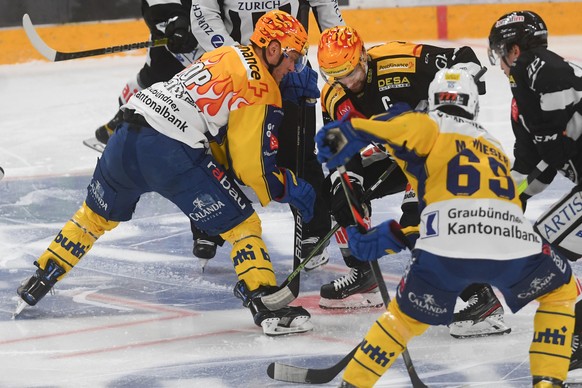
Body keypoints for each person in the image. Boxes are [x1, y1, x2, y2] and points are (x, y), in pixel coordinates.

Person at [17, 10, 316, 337]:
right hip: (169, 152)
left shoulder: (226, 52)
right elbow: (251, 169)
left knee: (92, 218)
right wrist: (287, 187)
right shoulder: (262, 85)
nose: (293, 68)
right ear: (272, 50)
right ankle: (265, 304)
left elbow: (215, 131)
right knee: (243, 225)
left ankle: (40, 279)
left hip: (125, 134)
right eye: (294, 58)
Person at [315, 67, 577, 387]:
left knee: (402, 320)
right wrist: (397, 234)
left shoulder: (429, 123)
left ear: (433, 99)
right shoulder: (491, 144)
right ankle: (549, 382)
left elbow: (391, 130)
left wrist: (344, 133)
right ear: (472, 104)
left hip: (447, 249)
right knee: (561, 293)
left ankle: (353, 383)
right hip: (514, 242)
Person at [315, 25, 507, 339]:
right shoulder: (334, 96)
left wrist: (450, 99)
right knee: (336, 193)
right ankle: (364, 274)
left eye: (351, 72)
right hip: (395, 151)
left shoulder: (398, 62)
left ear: (363, 57)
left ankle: (481, 300)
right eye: (336, 76)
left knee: (418, 223)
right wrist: (353, 189)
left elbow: (464, 57)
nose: (347, 83)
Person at [187, 0, 345, 268]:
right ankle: (209, 222)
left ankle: (312, 230)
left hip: (291, 65)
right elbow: (203, 11)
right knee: (217, 146)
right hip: (236, 73)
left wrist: (340, 64)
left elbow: (326, 7)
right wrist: (239, 59)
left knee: (299, 152)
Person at [488, 10, 582, 371]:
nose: (500, 66)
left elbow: (553, 151)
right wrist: (505, 204)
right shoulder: (521, 100)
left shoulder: (539, 67)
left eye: (501, 54)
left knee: (545, 251)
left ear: (514, 50)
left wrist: (559, 143)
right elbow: (531, 166)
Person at [94, 0, 199, 146]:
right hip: (171, 44)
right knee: (150, 79)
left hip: (204, 39)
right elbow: (159, 10)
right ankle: (122, 124)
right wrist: (178, 26)